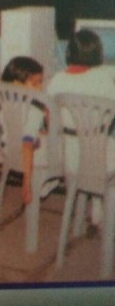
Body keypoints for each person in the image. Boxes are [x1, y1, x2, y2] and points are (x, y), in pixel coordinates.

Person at [47, 29, 115, 225]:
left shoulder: (57, 79)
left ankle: (95, 202)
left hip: (67, 157)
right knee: (106, 141)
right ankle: (102, 206)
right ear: (98, 53)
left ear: (69, 52)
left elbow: (49, 118)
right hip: (97, 158)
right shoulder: (102, 78)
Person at [0, 56, 58, 205]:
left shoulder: (6, 104)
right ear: (17, 85)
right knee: (63, 152)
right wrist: (26, 183)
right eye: (35, 83)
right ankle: (39, 186)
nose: (40, 88)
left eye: (41, 82)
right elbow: (27, 144)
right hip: (29, 156)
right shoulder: (33, 111)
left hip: (9, 152)